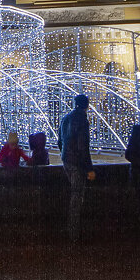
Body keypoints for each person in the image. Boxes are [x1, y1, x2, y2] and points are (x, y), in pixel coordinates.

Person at [59, 94, 94, 242]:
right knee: (77, 198)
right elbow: (83, 147)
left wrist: (65, 156)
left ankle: (73, 232)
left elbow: (59, 141)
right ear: (87, 105)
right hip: (77, 164)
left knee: (76, 196)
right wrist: (89, 168)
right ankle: (74, 235)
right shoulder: (82, 120)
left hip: (66, 161)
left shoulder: (66, 118)